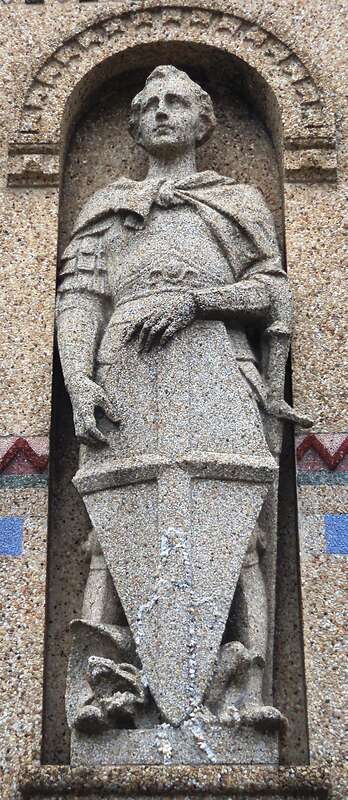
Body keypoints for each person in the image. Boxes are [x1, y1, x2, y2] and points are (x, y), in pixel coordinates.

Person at [56, 66, 306, 740]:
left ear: (203, 121)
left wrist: (196, 300)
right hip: (124, 376)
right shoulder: (107, 207)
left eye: (176, 103)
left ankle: (241, 691)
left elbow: (271, 293)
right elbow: (80, 297)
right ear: (135, 125)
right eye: (149, 105)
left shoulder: (236, 201)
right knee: (111, 527)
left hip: (219, 368)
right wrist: (78, 379)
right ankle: (108, 688)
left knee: (237, 522)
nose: (162, 112)